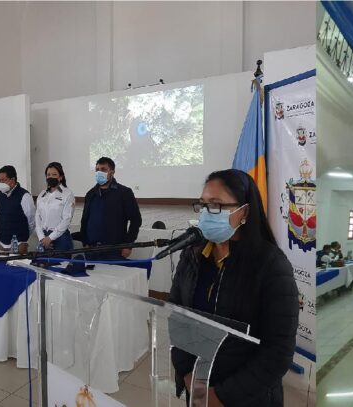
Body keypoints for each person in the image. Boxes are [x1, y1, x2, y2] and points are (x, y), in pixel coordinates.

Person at [169, 169, 298, 407]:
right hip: (197, 387)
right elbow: (176, 317)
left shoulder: (271, 265)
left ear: (244, 212)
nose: (206, 213)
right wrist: (187, 375)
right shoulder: (192, 255)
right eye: (203, 205)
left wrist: (220, 397)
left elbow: (278, 351)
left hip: (246, 397)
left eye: (216, 205)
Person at [79, 157, 142, 259]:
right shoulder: (90, 194)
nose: (99, 172)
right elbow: (84, 220)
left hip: (115, 250)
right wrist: (85, 242)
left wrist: (128, 244)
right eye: (97, 170)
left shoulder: (124, 193)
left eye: (103, 169)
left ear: (112, 172)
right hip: (91, 249)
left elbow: (136, 220)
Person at [34, 162, 75, 252]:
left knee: (59, 261)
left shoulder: (67, 194)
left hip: (60, 237)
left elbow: (66, 219)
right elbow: (37, 217)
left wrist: (50, 238)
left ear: (61, 177)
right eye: (48, 175)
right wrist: (42, 238)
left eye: (54, 174)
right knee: (40, 261)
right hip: (43, 238)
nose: (51, 177)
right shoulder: (42, 194)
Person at [0, 165, 35, 250]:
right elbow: (0, 215)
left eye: (3, 180)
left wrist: (23, 237)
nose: (1, 183)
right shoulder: (0, 194)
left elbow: (31, 221)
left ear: (12, 180)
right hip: (1, 242)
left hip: (19, 244)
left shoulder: (25, 196)